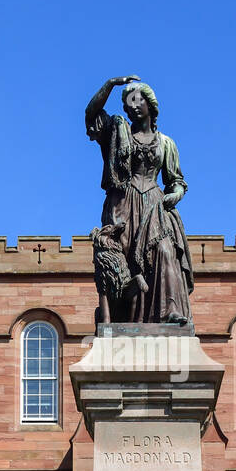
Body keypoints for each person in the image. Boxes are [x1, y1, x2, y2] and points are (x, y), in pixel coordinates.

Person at [84, 75, 194, 325]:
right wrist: (111, 84)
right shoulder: (116, 132)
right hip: (123, 206)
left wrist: (175, 194)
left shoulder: (166, 143)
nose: (131, 106)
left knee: (165, 251)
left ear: (150, 104)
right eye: (127, 102)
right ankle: (125, 321)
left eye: (137, 99)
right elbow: (91, 114)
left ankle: (169, 313)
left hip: (155, 205)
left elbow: (176, 180)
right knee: (122, 264)